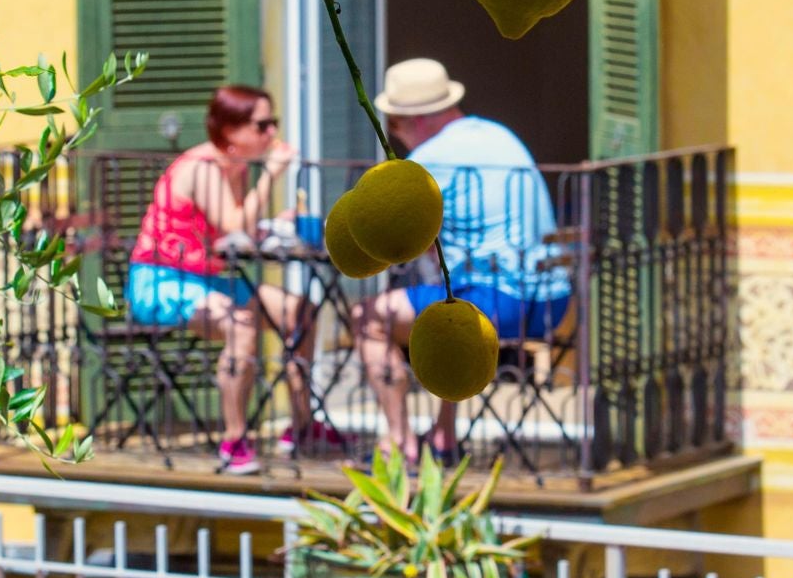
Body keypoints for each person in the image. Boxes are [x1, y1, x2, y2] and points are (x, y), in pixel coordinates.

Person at [355, 58, 572, 462]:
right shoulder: (495, 132)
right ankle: (444, 436)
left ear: (414, 120)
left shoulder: (432, 158)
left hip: (499, 301)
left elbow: (396, 236)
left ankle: (400, 440)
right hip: (552, 299)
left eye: (396, 127)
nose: (397, 138)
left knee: (369, 317)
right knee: (446, 314)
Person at [125, 85, 333, 474]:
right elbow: (234, 223)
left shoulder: (234, 168)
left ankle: (303, 425)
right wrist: (271, 175)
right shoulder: (201, 166)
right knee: (241, 323)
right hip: (161, 279)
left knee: (300, 312)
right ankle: (234, 440)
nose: (272, 133)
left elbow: (230, 235)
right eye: (262, 125)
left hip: (206, 279)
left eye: (275, 123)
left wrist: (272, 226)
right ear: (231, 129)